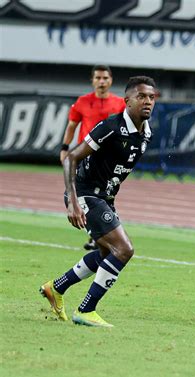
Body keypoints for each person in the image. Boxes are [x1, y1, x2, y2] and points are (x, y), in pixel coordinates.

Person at [40, 76, 157, 327]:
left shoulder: (145, 133)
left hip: (103, 197)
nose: (147, 101)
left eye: (151, 97)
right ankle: (85, 310)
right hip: (84, 193)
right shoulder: (111, 127)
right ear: (127, 101)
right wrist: (72, 201)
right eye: (141, 97)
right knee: (124, 250)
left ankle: (56, 288)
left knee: (106, 253)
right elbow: (71, 158)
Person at [60, 65, 126, 250]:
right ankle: (97, 233)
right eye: (98, 78)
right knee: (87, 193)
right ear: (93, 81)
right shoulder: (82, 102)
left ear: (111, 80)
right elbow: (72, 125)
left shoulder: (120, 103)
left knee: (105, 194)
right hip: (85, 155)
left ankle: (99, 232)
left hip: (109, 158)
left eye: (105, 78)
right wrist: (65, 148)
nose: (102, 82)